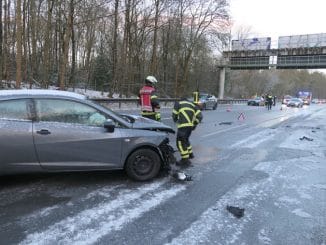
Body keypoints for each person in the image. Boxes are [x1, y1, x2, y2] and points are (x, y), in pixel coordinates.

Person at [172, 96, 203, 167]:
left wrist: (177, 122)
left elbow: (174, 115)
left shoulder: (178, 103)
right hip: (190, 127)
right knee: (185, 140)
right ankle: (191, 154)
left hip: (182, 126)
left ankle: (185, 160)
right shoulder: (192, 104)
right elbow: (200, 116)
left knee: (180, 143)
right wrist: (194, 124)